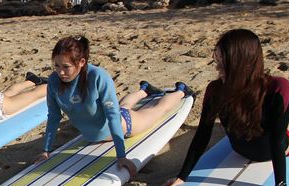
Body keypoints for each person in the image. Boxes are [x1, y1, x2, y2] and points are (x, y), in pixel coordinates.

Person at [162, 28, 289, 186]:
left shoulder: (277, 87)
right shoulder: (215, 89)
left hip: (283, 144)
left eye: (223, 63)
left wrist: (281, 185)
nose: (217, 68)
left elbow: (277, 140)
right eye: (217, 60)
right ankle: (288, 105)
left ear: (242, 63)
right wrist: (182, 176)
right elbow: (203, 134)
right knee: (267, 116)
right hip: (242, 147)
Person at [39, 36, 192, 177]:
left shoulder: (98, 76)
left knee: (157, 110)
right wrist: (46, 151)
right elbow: (53, 116)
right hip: (100, 130)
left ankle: (181, 91)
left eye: (66, 67)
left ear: (81, 62)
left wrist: (121, 156)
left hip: (125, 125)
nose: (60, 72)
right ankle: (144, 90)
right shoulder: (53, 81)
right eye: (57, 66)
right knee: (122, 106)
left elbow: (113, 116)